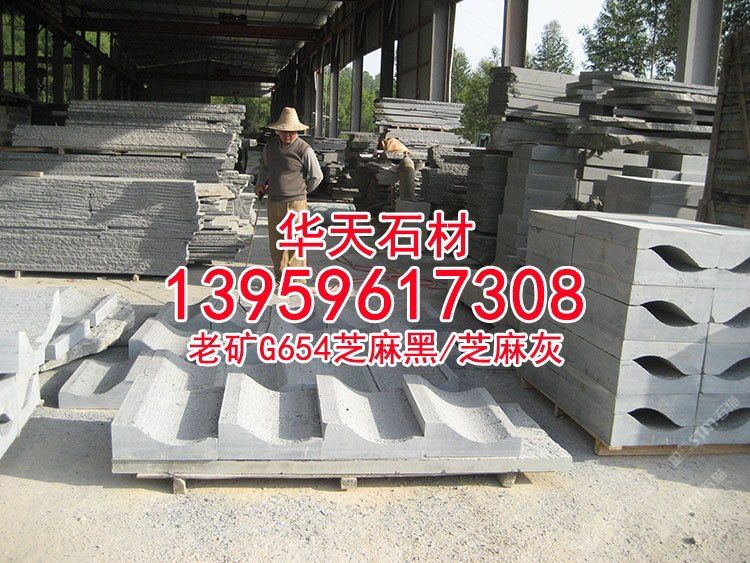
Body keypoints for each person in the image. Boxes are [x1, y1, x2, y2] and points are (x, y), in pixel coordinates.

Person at [256, 107, 323, 280]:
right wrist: (260, 183)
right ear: (278, 131)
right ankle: (280, 276)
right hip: (274, 201)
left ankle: (297, 280)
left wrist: (304, 190)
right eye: (285, 131)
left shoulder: (304, 149)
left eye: (292, 132)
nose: (288, 135)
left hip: (296, 203)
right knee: (276, 242)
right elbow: (264, 166)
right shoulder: (270, 147)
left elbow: (317, 176)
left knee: (296, 242)